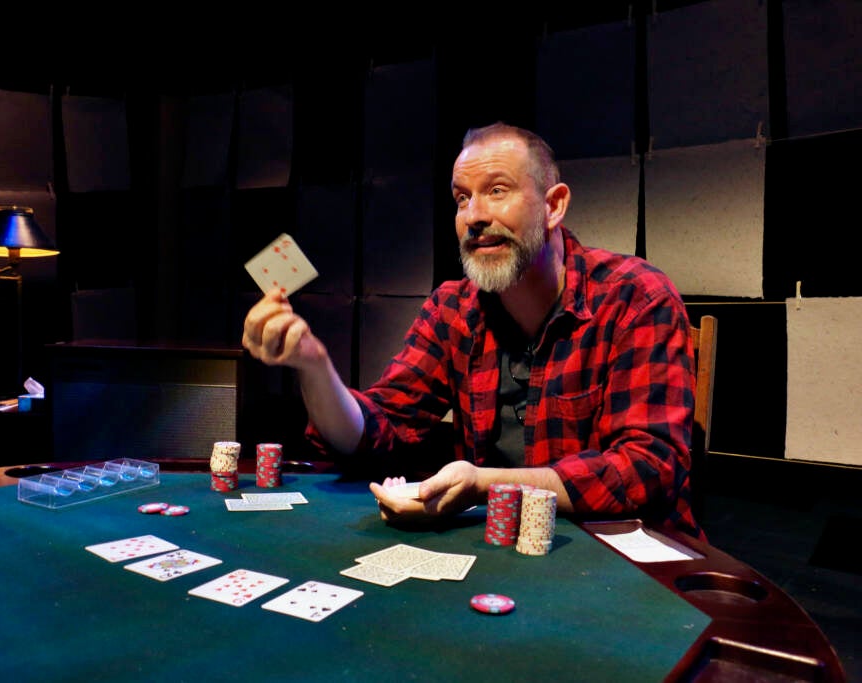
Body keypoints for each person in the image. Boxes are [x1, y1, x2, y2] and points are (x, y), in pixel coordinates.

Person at [242, 121, 703, 540]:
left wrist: (483, 485)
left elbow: (646, 470)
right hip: (497, 547)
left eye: (496, 190)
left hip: (625, 558)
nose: (474, 215)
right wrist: (313, 365)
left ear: (554, 205)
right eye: (462, 198)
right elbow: (376, 434)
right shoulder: (453, 307)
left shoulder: (636, 297)